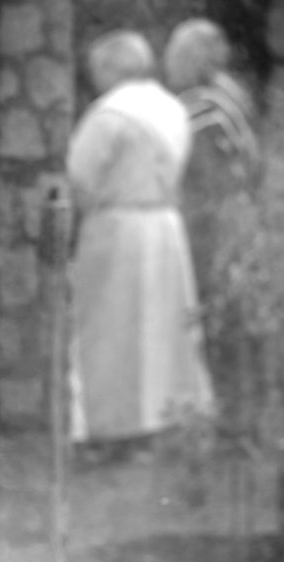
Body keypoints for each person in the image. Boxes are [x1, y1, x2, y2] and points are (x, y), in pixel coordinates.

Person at [67, 30, 215, 447]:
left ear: (108, 68)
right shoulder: (172, 107)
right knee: (162, 330)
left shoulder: (109, 113)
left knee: (111, 330)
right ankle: (165, 421)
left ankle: (112, 427)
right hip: (165, 228)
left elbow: (78, 176)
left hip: (116, 232)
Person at [165, 18, 262, 435]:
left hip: (210, 232)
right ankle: (237, 419)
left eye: (174, 55)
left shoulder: (202, 107)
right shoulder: (231, 98)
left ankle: (225, 424)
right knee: (233, 323)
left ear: (187, 59)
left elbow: (204, 181)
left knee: (213, 322)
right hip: (236, 225)